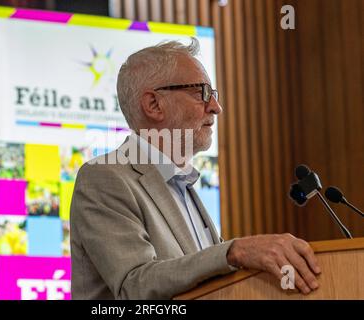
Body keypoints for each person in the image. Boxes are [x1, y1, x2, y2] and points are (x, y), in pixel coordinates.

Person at [70, 38, 321, 299]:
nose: (216, 107)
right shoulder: (104, 177)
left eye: (213, 94)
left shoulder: (182, 183)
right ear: (154, 105)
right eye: (201, 92)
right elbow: (135, 284)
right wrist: (234, 251)